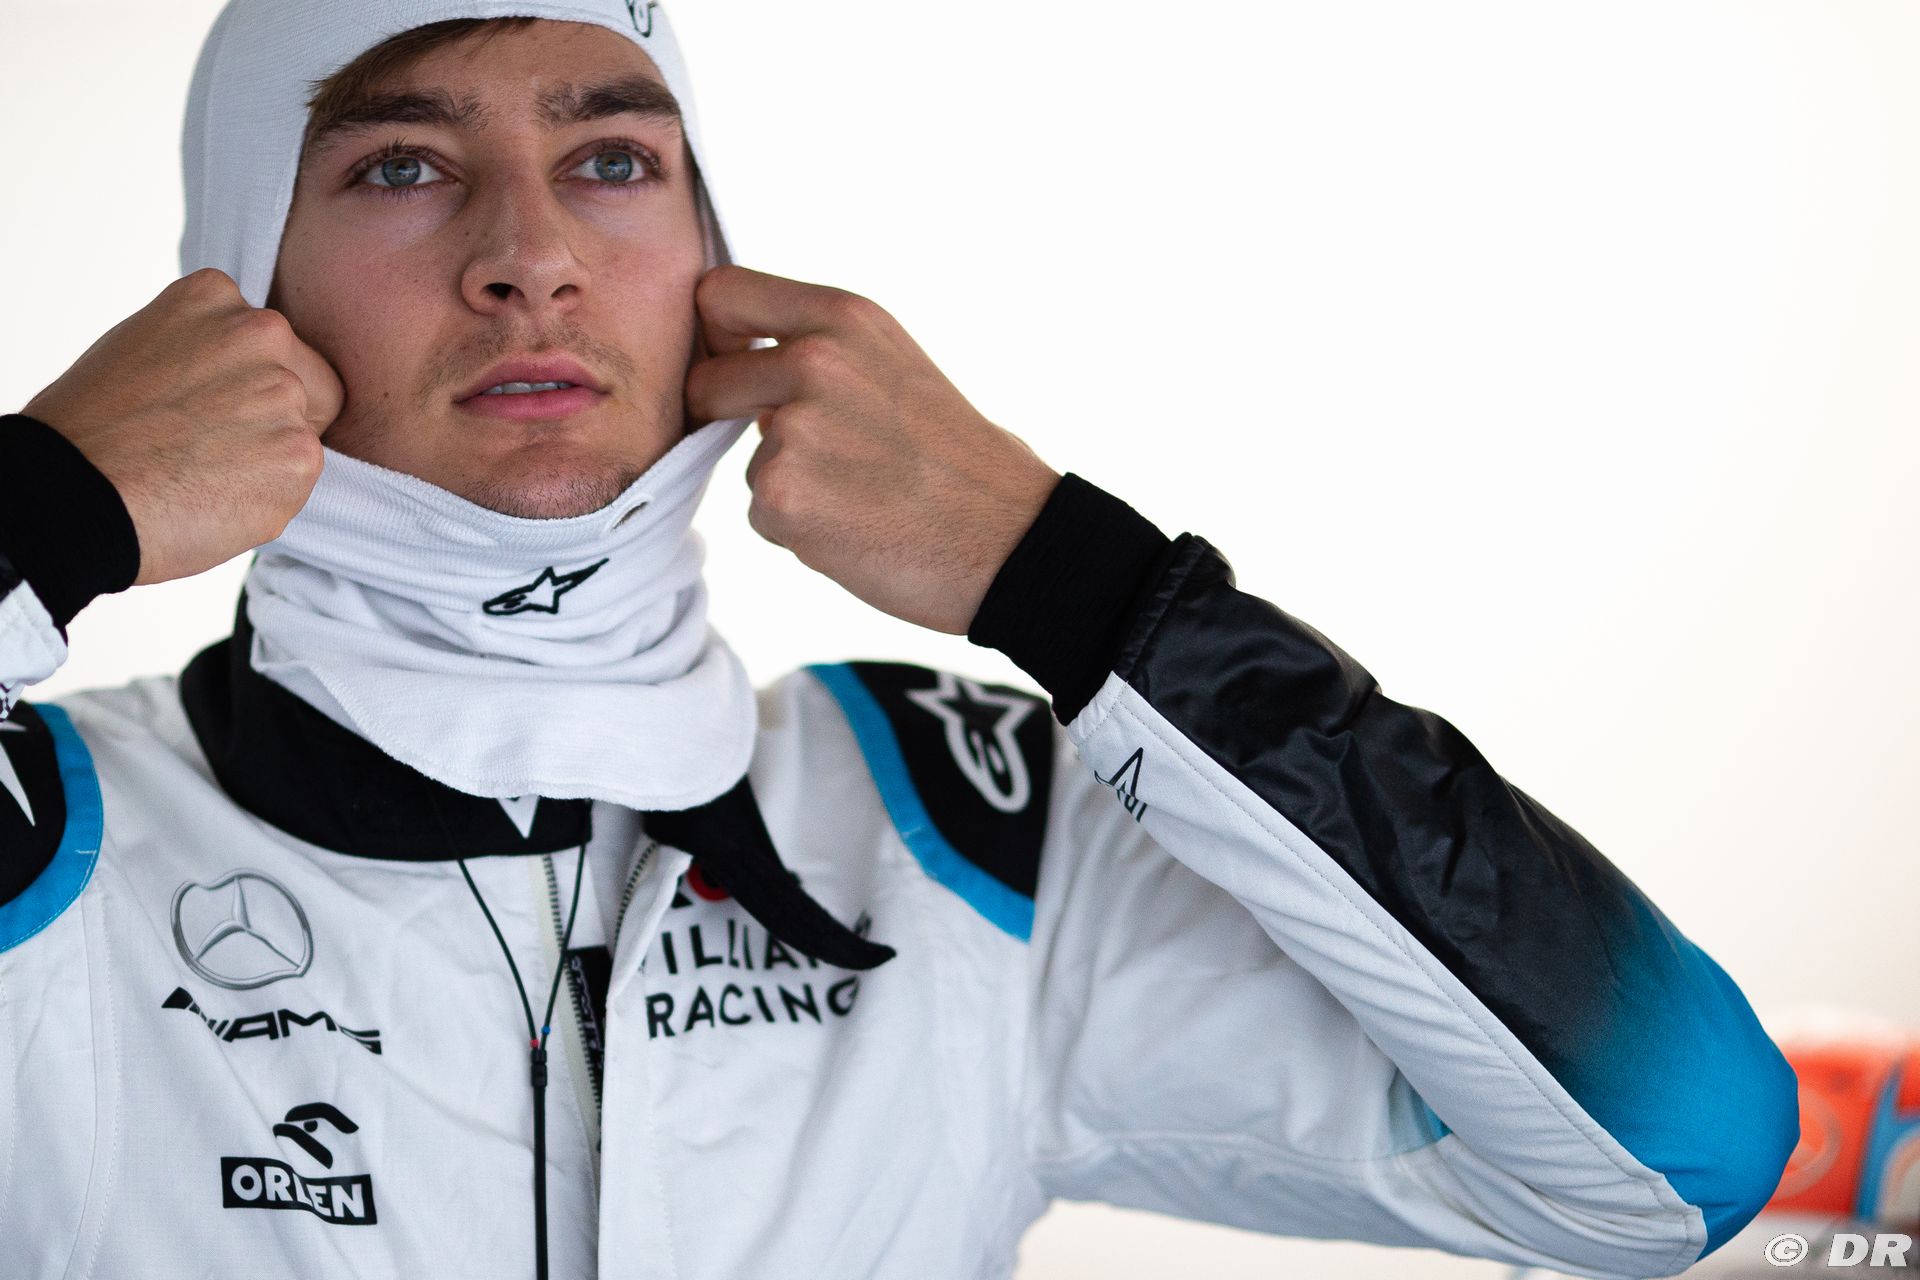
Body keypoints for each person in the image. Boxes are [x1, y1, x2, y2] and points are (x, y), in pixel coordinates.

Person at [0, 2, 1797, 1277]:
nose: (531, 257)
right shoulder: (52, 846)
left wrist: (1078, 585)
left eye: (613, 157)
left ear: (715, 255)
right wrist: (39, 516)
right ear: (237, 279)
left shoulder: (953, 832)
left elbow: (1673, 1154)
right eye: (403, 165)